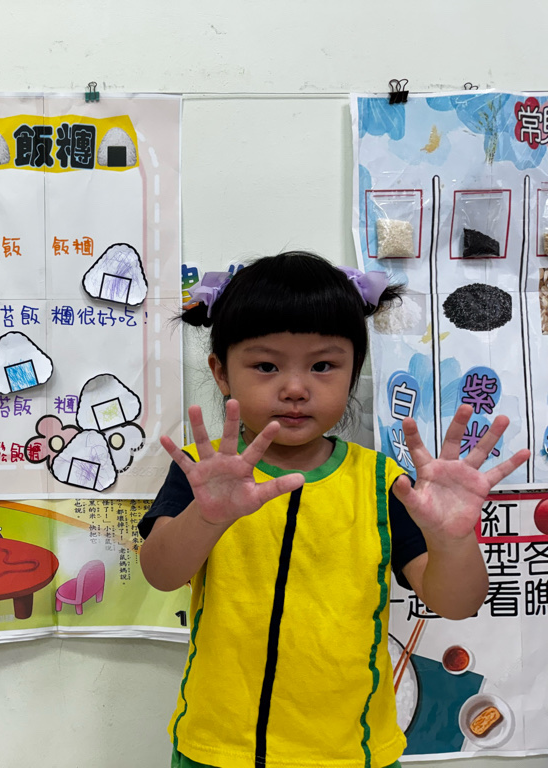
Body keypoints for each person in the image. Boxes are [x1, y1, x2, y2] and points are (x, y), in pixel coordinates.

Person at [138, 251, 529, 768]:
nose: (295, 388)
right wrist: (208, 515)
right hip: (217, 747)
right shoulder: (202, 471)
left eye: (323, 365)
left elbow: (457, 603)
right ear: (221, 372)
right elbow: (161, 574)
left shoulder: (382, 483)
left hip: (350, 752)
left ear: (353, 372)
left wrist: (452, 540)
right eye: (266, 365)